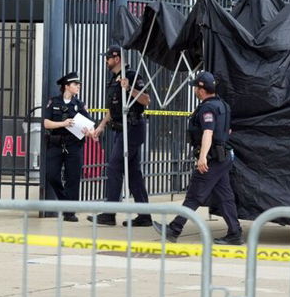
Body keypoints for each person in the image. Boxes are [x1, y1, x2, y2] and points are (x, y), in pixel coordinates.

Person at [157, 71, 243, 245]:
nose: (195, 90)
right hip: (223, 158)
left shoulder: (207, 108)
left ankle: (174, 229)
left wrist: (202, 156)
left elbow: (208, 132)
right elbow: (228, 131)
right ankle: (235, 233)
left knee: (194, 195)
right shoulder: (223, 105)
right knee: (225, 197)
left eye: (196, 87)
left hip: (212, 159)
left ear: (202, 90)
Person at [89, 45, 152, 227]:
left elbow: (146, 99)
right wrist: (101, 126)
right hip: (119, 129)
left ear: (117, 58)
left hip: (132, 128)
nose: (106, 60)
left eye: (108, 57)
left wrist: (129, 88)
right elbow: (112, 109)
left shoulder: (131, 76)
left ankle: (109, 213)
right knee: (133, 174)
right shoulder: (113, 79)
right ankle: (145, 215)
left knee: (114, 167)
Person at [42, 71, 95, 221]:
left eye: (78, 85)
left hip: (74, 145)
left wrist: (89, 132)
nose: (78, 87)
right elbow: (46, 123)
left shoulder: (79, 105)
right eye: (75, 84)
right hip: (56, 143)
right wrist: (63, 123)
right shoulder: (54, 102)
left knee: (73, 178)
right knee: (52, 175)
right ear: (66, 86)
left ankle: (69, 212)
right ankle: (65, 202)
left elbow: (90, 126)